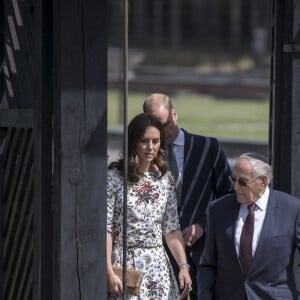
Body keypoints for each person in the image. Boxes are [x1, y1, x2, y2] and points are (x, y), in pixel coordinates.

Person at [143, 93, 234, 299]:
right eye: (155, 125)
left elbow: (228, 196)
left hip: (202, 252)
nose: (161, 132)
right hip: (158, 253)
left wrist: (203, 225)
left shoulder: (207, 147)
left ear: (175, 115)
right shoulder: (143, 154)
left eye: (165, 124)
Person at [107, 113, 192, 299]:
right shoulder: (114, 177)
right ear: (133, 142)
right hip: (124, 265)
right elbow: (106, 229)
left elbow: (171, 228)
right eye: (144, 141)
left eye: (155, 141)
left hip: (158, 267)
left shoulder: (165, 178)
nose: (150, 147)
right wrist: (108, 271)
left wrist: (183, 267)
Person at [197, 152, 300, 300]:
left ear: (263, 181)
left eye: (242, 182)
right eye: (234, 179)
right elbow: (208, 263)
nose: (235, 187)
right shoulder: (218, 209)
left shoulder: (292, 209)